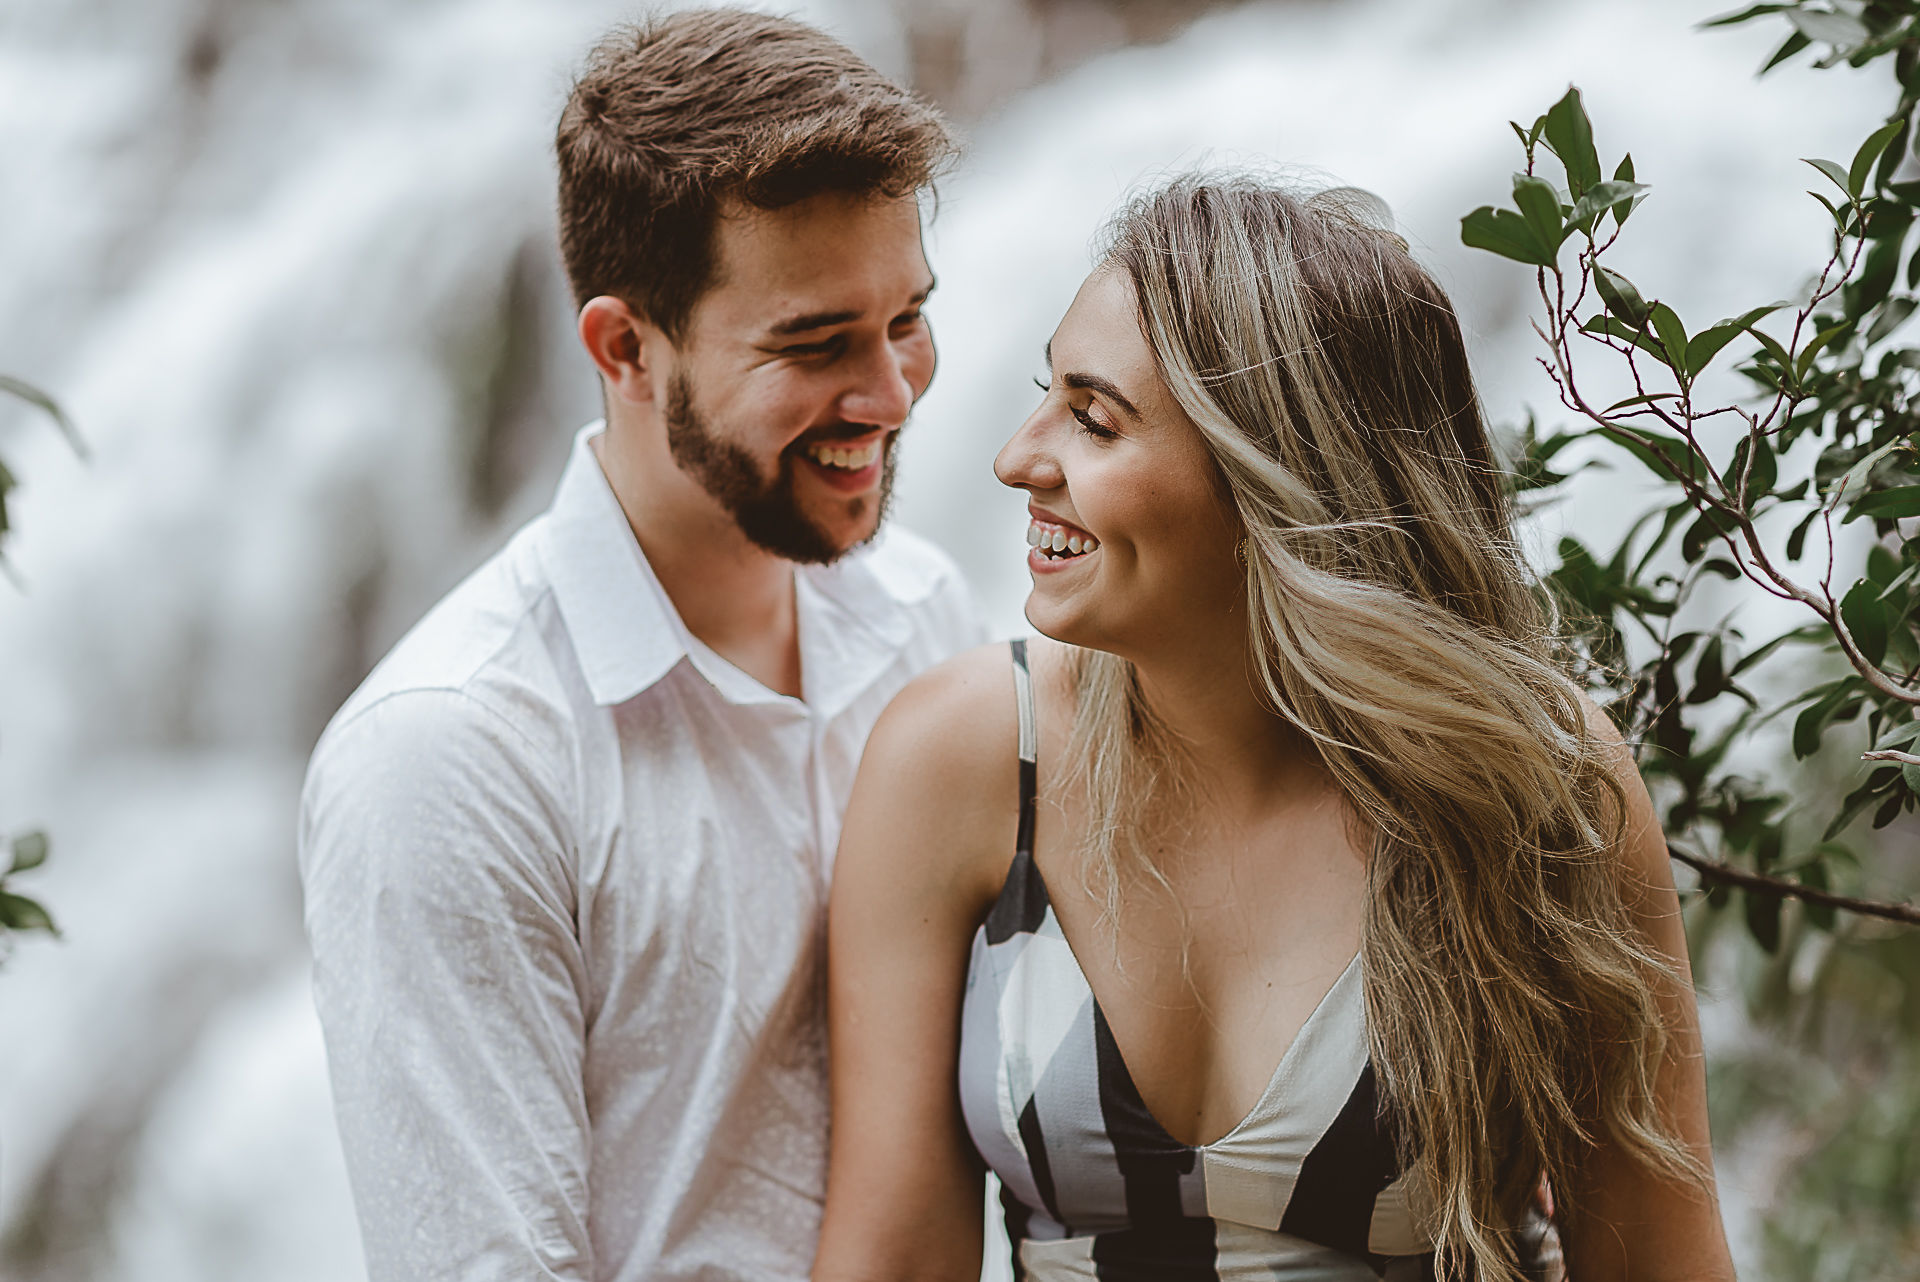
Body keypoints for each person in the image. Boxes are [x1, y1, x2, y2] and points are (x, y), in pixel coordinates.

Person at [813, 175, 1736, 1281]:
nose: (1018, 457)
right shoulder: (962, 757)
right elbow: (892, 1258)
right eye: (1044, 395)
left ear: (1274, 481)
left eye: (1093, 419)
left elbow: (1659, 1259)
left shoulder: (1538, 786)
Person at [298, 11, 982, 1280]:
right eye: (816, 343)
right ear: (623, 348)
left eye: (907, 321)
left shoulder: (927, 619)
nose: (890, 395)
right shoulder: (451, 757)